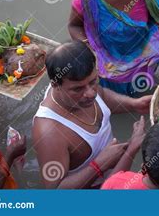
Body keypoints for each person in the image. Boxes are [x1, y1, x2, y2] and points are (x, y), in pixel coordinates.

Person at [32, 41, 148, 189]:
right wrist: (98, 165)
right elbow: (55, 192)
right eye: (77, 89)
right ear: (56, 85)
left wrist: (134, 104)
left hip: (115, 171)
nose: (91, 93)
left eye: (93, 82)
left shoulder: (82, 83)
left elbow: (103, 96)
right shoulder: (49, 132)